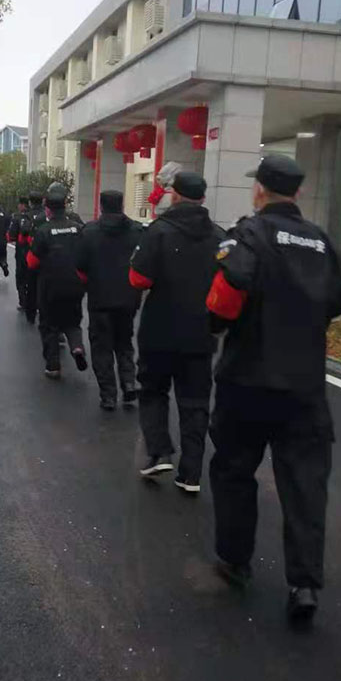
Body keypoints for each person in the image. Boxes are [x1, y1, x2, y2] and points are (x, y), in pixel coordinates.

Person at [206, 154, 341, 623]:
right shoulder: (322, 242)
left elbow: (225, 299)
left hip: (247, 381)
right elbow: (337, 301)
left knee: (233, 471)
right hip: (304, 387)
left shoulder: (249, 235)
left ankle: (235, 560)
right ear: (298, 192)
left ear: (260, 190)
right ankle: (304, 585)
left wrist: (217, 326)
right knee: (305, 485)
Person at [129, 172, 225, 494]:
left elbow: (138, 279)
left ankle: (159, 452)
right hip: (201, 332)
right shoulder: (220, 237)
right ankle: (191, 474)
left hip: (159, 329)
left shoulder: (159, 231)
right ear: (203, 198)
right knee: (195, 402)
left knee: (153, 390)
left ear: (175, 195)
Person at [76, 190, 144, 411]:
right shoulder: (137, 231)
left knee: (102, 348)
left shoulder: (89, 232)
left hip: (100, 300)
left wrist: (88, 286)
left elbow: (80, 267)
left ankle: (108, 395)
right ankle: (128, 382)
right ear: (122, 206)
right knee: (124, 343)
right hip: (128, 299)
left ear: (101, 206)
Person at [27, 183, 88, 379]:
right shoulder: (78, 228)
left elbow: (32, 262)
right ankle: (77, 347)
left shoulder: (44, 231)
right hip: (75, 284)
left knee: (49, 326)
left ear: (47, 210)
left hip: (50, 287)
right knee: (73, 323)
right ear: (65, 207)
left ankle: (53, 366)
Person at [23, 192, 46, 325]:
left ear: (30, 202)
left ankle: (31, 314)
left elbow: (25, 232)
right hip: (51, 258)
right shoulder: (46, 216)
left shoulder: (29, 216)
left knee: (31, 286)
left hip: (33, 254)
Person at [8, 196, 32, 312]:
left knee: (21, 278)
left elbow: (11, 236)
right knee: (34, 277)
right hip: (37, 252)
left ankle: (23, 302)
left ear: (23, 205)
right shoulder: (40, 216)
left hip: (22, 252)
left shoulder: (17, 217)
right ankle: (35, 302)